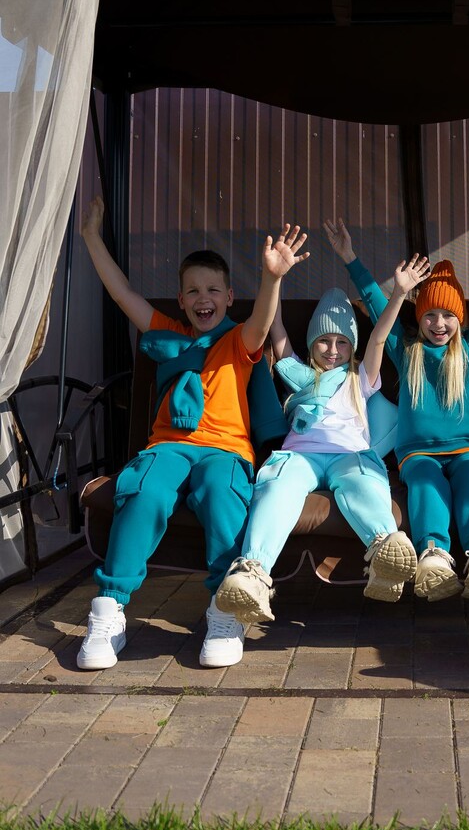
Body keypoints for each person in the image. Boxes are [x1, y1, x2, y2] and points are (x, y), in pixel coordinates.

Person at [77, 196, 308, 670]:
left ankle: (225, 610)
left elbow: (263, 320)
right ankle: (109, 609)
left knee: (222, 492)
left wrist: (272, 278)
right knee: (144, 491)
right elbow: (122, 294)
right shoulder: (167, 334)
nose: (204, 298)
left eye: (213, 290)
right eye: (193, 291)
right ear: (181, 300)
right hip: (168, 446)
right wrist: (91, 237)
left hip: (225, 451)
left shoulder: (238, 340)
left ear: (229, 297)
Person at [215, 250, 432, 623]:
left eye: (342, 342)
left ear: (352, 347)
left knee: (363, 482)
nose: (332, 351)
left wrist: (398, 293)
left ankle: (385, 546)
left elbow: (379, 338)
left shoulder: (359, 377)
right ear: (312, 343)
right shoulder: (300, 375)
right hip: (300, 455)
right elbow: (275, 325)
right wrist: (274, 276)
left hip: (349, 453)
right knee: (276, 486)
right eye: (324, 341)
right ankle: (252, 571)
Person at [324, 214, 469, 602]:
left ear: (460, 319)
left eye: (448, 315)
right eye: (430, 314)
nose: (439, 323)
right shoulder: (407, 350)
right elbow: (378, 305)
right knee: (425, 485)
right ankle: (434, 555)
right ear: (419, 317)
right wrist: (350, 258)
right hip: (418, 454)